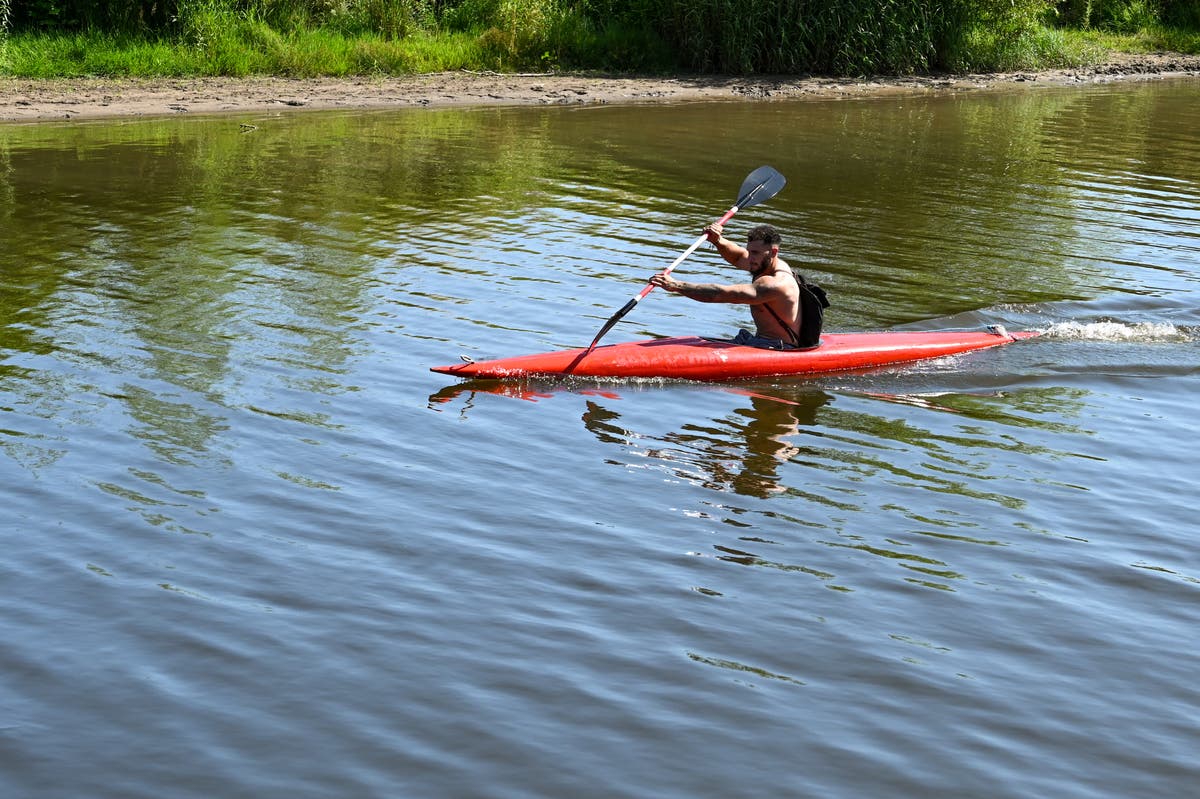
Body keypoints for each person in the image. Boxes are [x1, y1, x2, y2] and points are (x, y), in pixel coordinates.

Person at [648, 223, 827, 350]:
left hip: (778, 349)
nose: (749, 258)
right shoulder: (763, 263)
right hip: (760, 341)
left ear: (773, 252)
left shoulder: (776, 283)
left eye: (755, 253)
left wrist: (676, 285)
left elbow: (721, 294)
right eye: (749, 251)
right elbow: (736, 257)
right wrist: (718, 240)